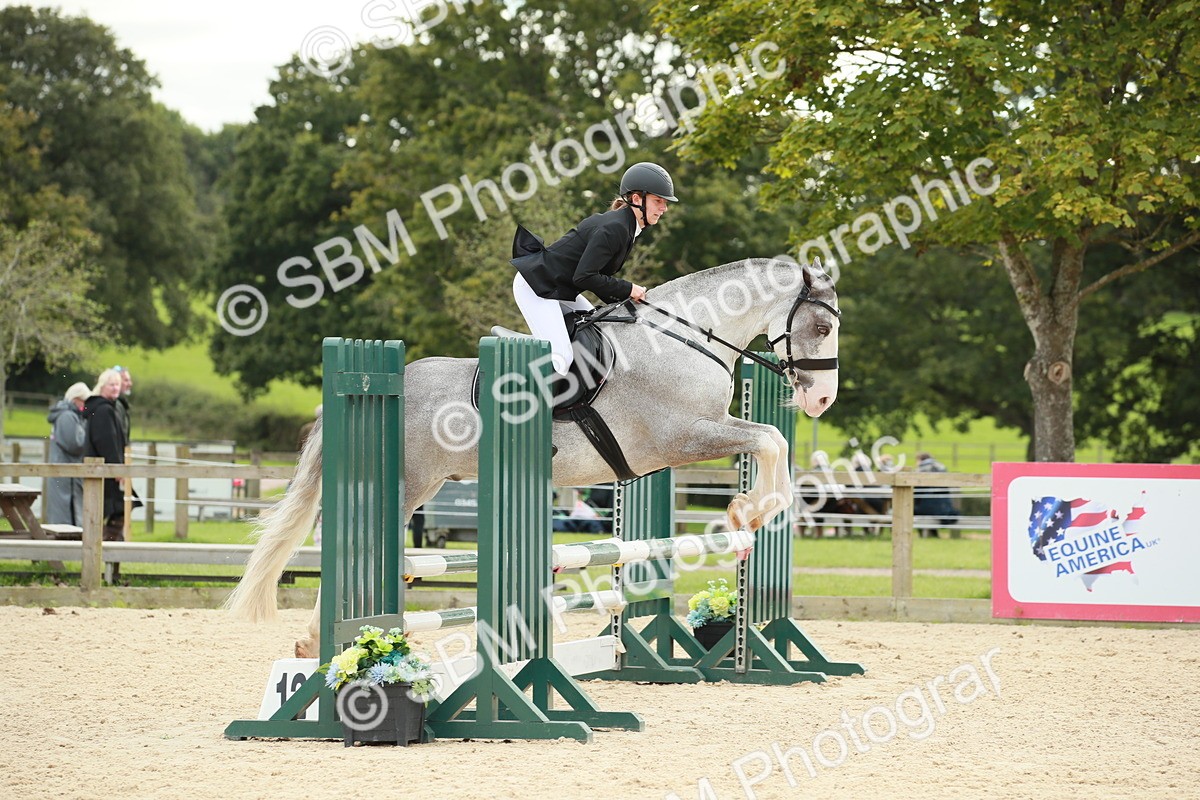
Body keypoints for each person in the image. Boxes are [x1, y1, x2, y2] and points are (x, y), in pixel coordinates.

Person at [510, 161, 677, 376]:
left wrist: (626, 306)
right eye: (658, 201)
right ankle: (529, 405)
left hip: (559, 288)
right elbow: (585, 277)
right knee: (563, 358)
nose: (664, 208)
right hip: (536, 286)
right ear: (637, 199)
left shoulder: (626, 227)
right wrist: (628, 289)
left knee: (597, 333)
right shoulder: (615, 227)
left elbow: (597, 277)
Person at [84, 368, 141, 542]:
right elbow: (106, 440)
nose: (116, 388)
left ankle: (108, 546)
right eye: (112, 384)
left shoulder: (104, 407)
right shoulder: (103, 410)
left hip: (105, 468)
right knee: (120, 506)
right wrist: (117, 468)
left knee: (117, 507)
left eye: (117, 384)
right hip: (107, 470)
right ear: (102, 386)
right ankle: (107, 547)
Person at [46, 382, 90, 525]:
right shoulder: (67, 417)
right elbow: (74, 444)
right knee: (65, 518)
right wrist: (89, 437)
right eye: (84, 401)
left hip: (66, 476)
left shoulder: (70, 416)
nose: (85, 405)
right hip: (65, 478)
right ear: (75, 399)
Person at [914, 451, 958, 537]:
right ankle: (934, 534)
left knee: (915, 510)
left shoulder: (920, 469)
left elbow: (917, 492)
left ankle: (922, 535)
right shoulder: (941, 467)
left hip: (927, 508)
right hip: (945, 508)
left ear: (920, 459)